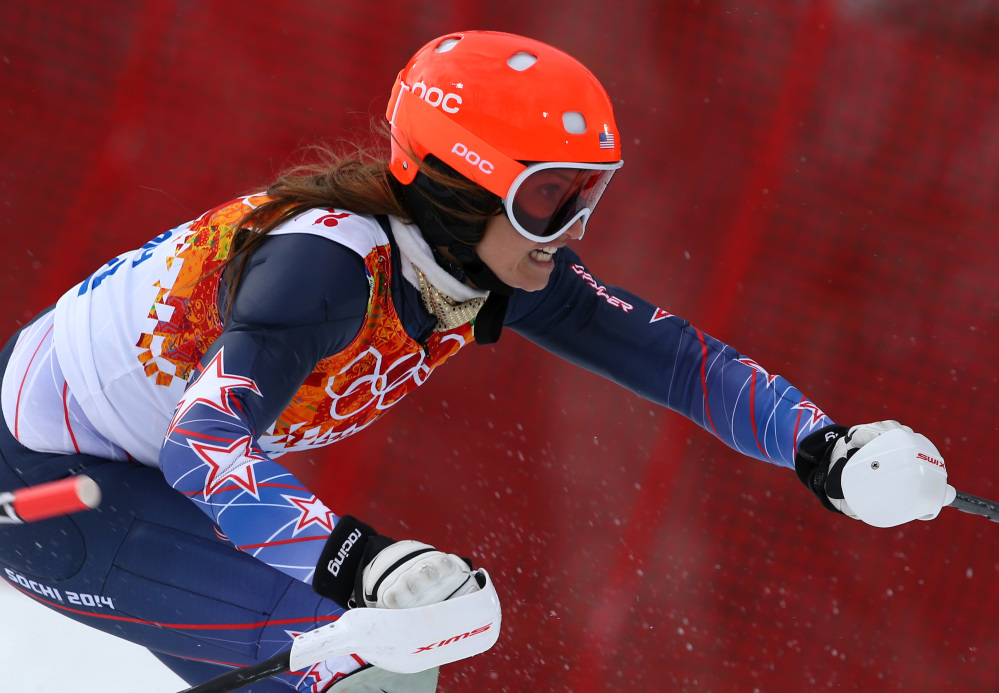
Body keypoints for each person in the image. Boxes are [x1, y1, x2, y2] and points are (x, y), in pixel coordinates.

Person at [0, 30, 949, 692]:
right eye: (548, 202)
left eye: (588, 196)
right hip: (43, 489)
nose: (572, 231)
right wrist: (362, 560)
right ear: (457, 187)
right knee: (348, 664)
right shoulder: (322, 272)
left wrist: (825, 447)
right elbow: (204, 448)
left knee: (379, 659)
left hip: (129, 472)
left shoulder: (484, 262)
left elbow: (675, 359)